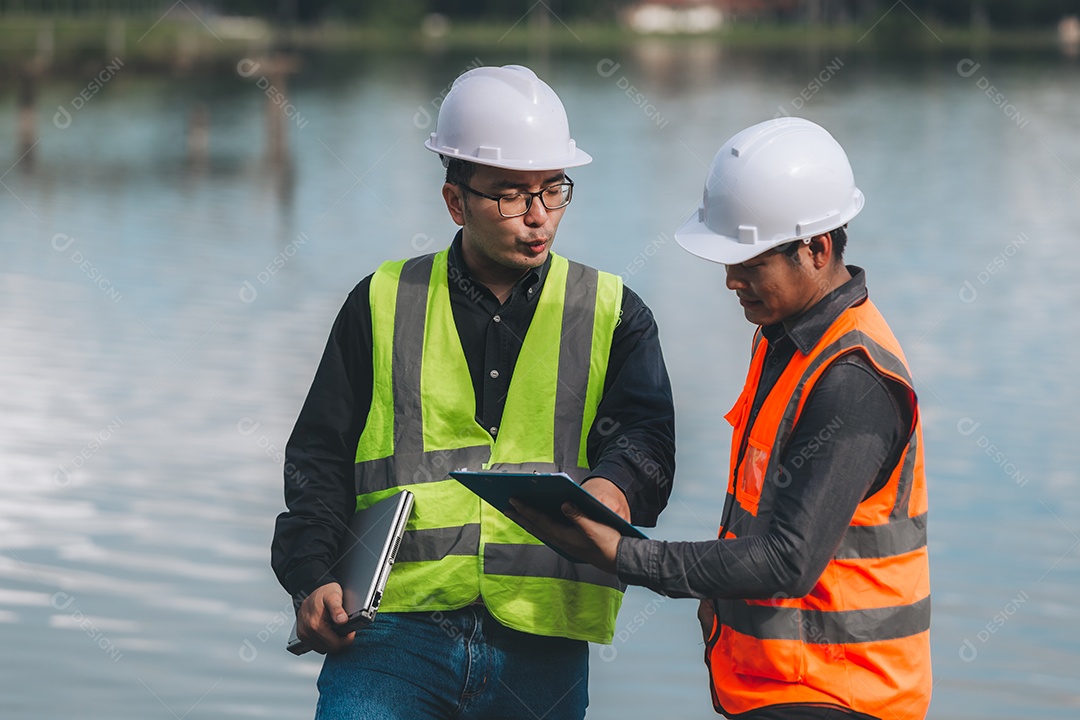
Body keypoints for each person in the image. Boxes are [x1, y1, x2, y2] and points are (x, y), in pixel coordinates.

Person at [270, 64, 676, 720]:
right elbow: (319, 457)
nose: (538, 216)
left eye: (554, 190)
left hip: (543, 640)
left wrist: (614, 489)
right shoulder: (382, 301)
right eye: (512, 195)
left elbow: (648, 441)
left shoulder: (612, 312)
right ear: (456, 202)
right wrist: (313, 575)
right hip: (390, 634)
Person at [510, 117, 931, 720]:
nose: (731, 280)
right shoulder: (785, 339)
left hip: (842, 695)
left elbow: (788, 560)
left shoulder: (852, 377)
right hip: (783, 687)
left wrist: (623, 555)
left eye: (749, 263)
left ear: (816, 249)